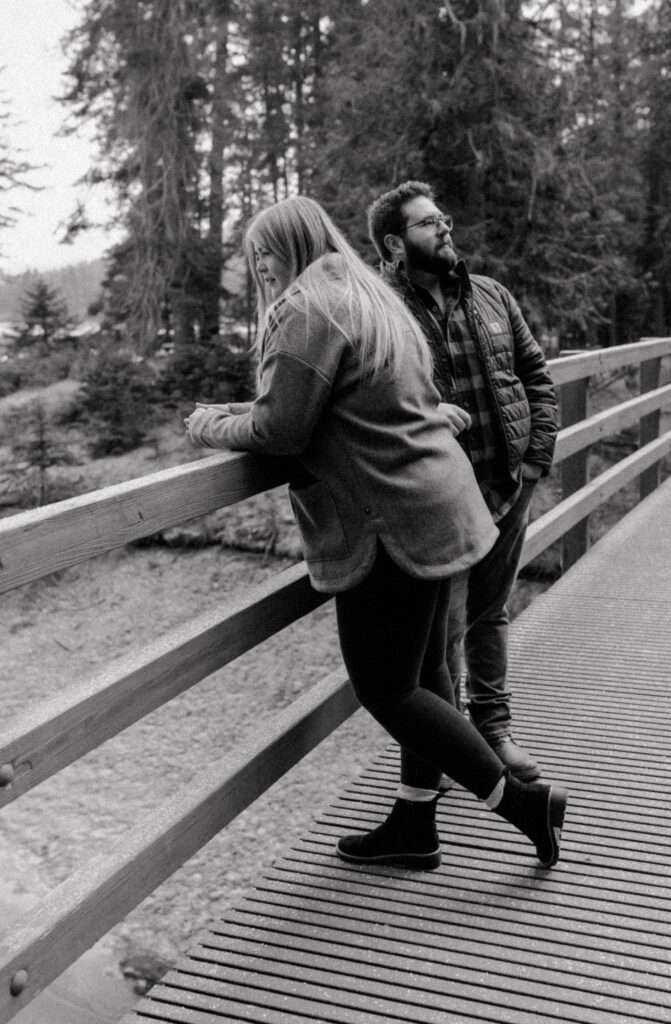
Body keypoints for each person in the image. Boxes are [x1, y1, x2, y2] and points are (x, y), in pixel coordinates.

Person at [185, 196, 567, 870]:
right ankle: (414, 823)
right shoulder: (364, 294)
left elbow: (280, 429)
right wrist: (241, 411)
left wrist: (207, 424)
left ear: (287, 249)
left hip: (389, 520)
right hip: (435, 501)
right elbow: (317, 401)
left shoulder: (309, 307)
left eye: (263, 259)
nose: (261, 274)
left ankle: (519, 804)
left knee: (387, 688)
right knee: (425, 675)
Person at [367, 181, 559, 782]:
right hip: (438, 497)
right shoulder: (381, 311)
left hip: (507, 484)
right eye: (429, 224)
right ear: (396, 244)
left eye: (444, 218)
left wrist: (535, 461)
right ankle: (450, 751)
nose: (445, 229)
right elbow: (372, 399)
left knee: (490, 613)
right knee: (441, 631)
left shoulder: (492, 296)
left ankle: (494, 734)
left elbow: (535, 375)